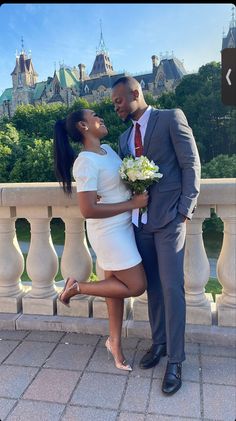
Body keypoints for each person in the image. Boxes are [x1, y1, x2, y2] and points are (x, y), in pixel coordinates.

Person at [111, 76, 201, 395]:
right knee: (154, 289)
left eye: (119, 100)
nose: (116, 106)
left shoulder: (170, 118)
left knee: (173, 288)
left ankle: (176, 361)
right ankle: (159, 343)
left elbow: (190, 165)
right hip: (140, 223)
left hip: (170, 220)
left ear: (135, 93)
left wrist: (185, 211)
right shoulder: (124, 139)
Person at [53, 108, 148, 372]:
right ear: (83, 126)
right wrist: (132, 203)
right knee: (136, 285)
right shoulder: (84, 161)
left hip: (123, 226)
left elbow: (114, 187)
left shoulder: (108, 149)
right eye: (95, 115)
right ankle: (76, 288)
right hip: (108, 232)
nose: (101, 118)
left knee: (114, 287)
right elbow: (88, 209)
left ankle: (115, 344)